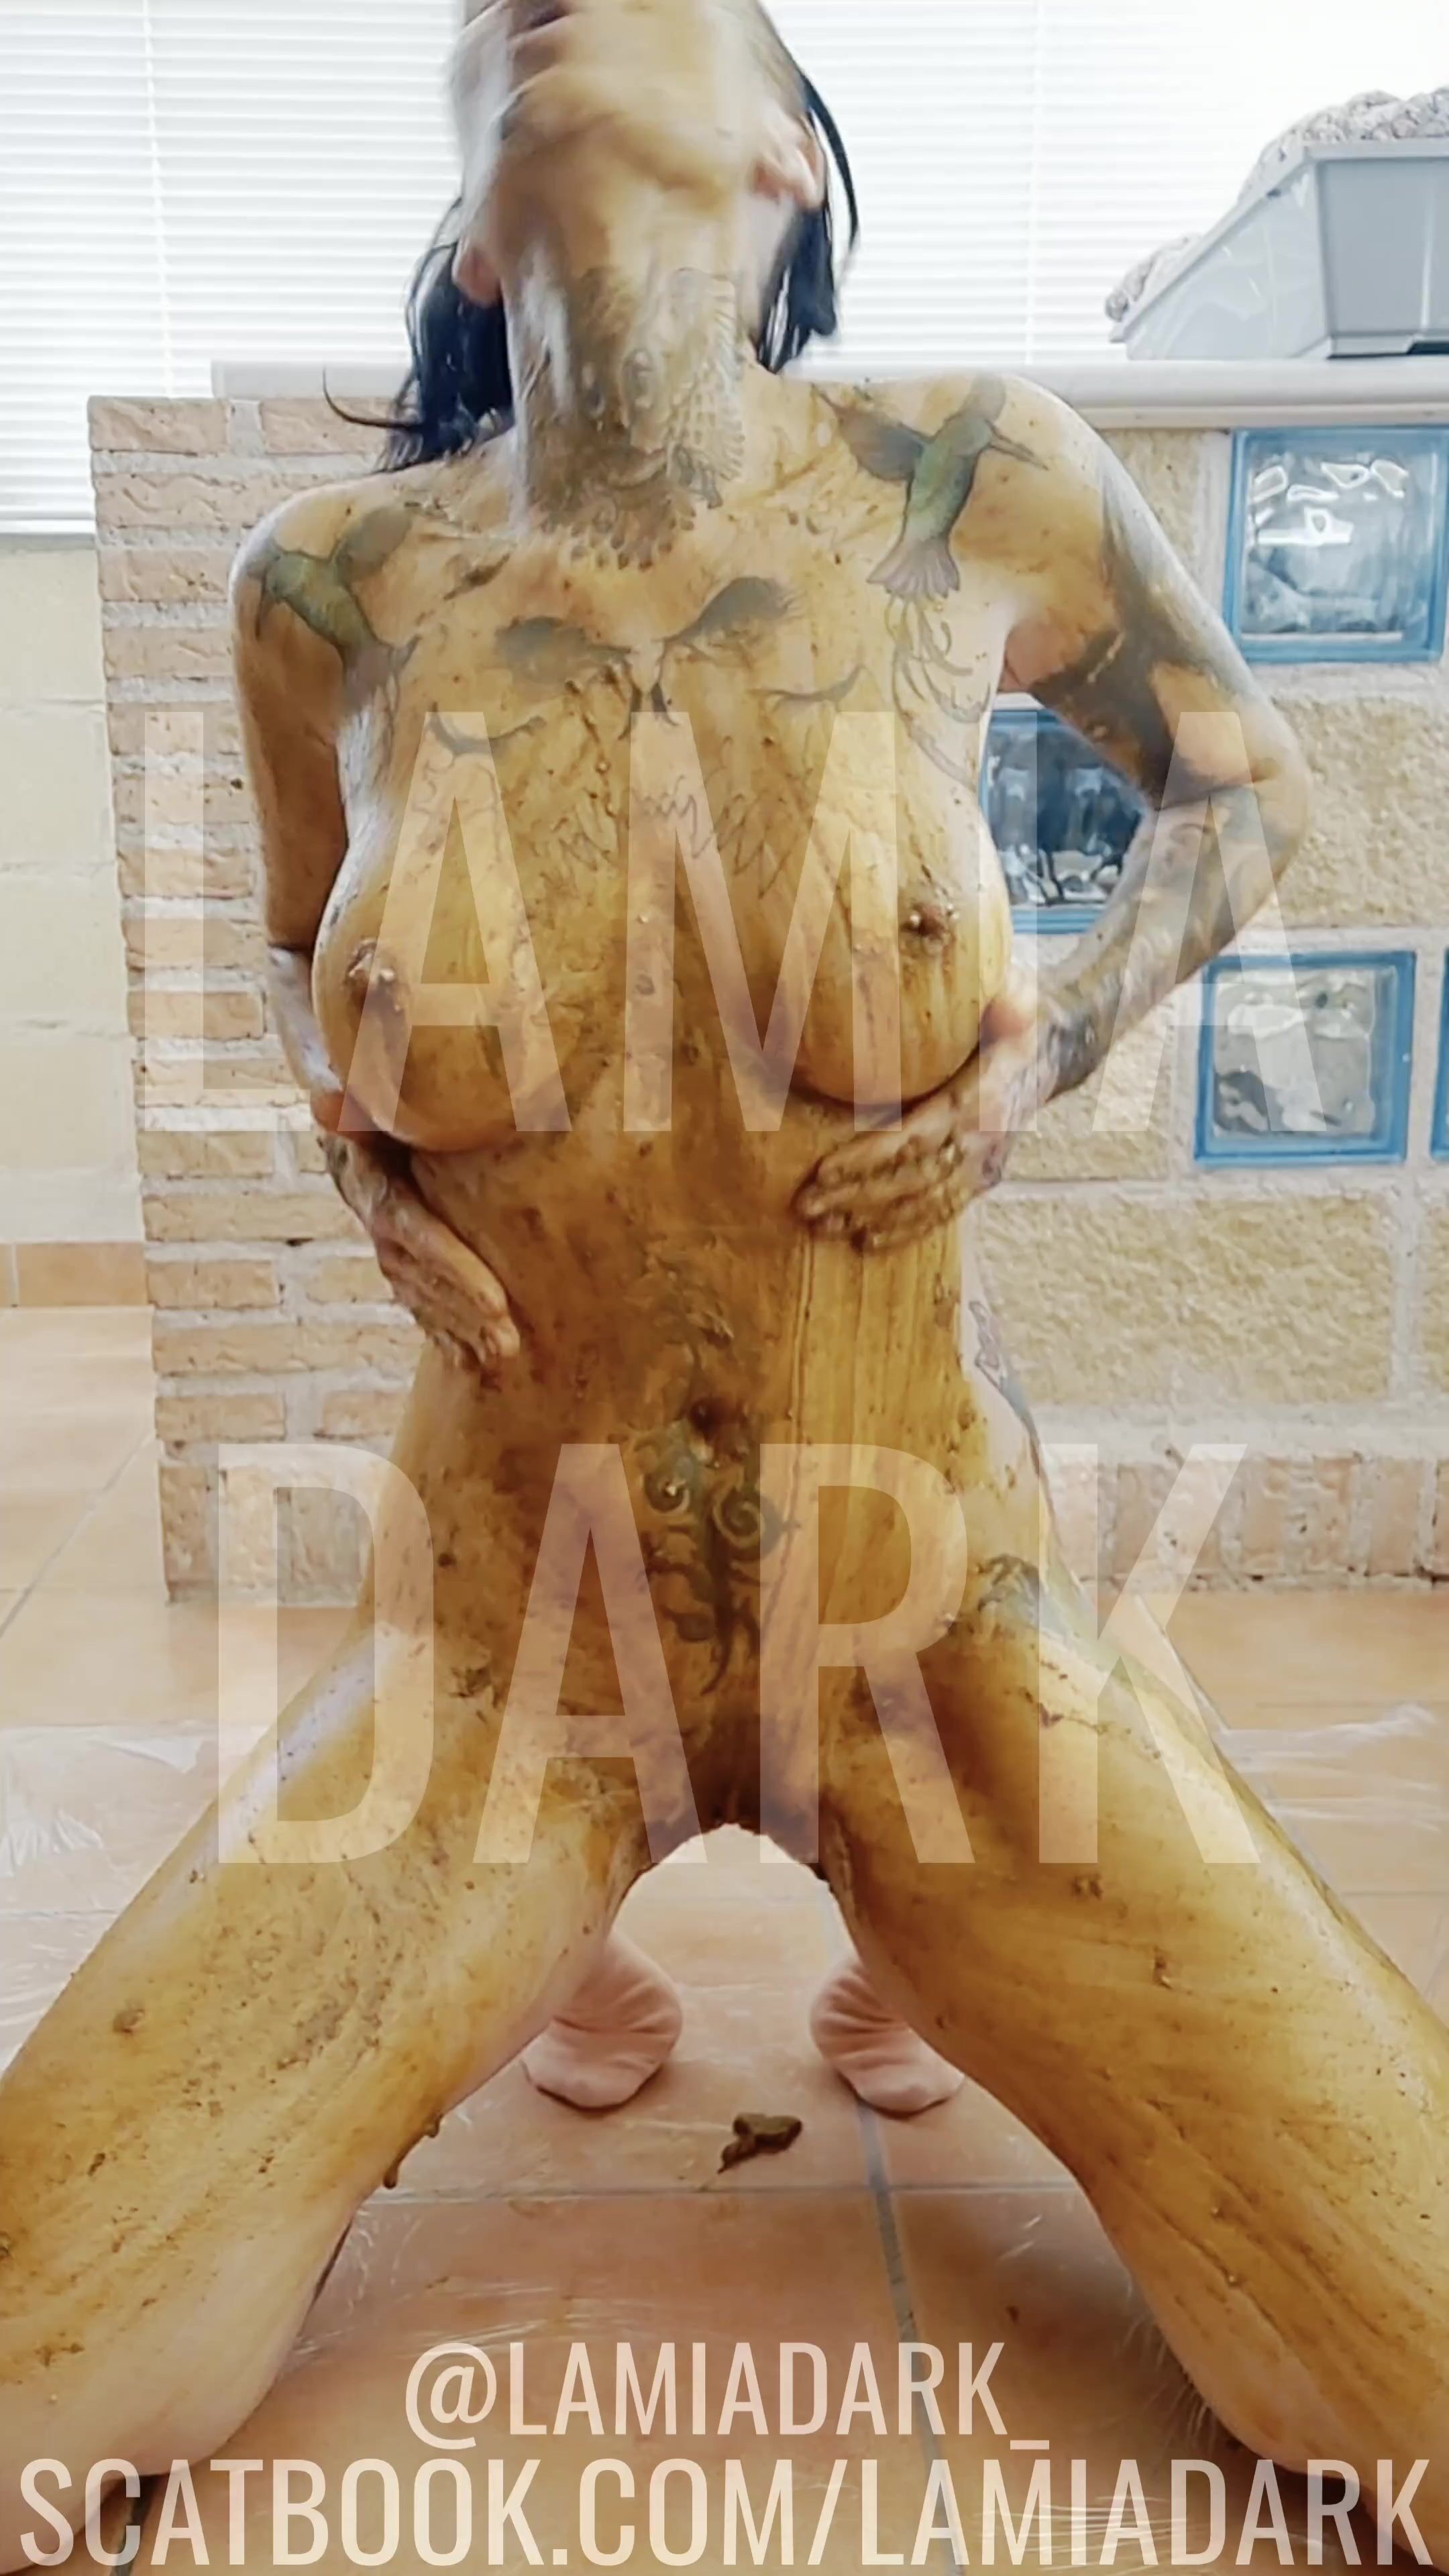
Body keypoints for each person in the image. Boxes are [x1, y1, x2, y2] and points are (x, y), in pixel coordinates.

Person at [3, 1, 1448, 2563]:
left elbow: (1246, 787)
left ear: (789, 157)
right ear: (472, 232)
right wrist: (355, 1143)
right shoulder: (331, 584)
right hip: (497, 1657)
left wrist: (1047, 1048)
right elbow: (296, 947)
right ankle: (552, 1945)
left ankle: (925, 1933)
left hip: (939, 1633)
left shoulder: (969, 478)